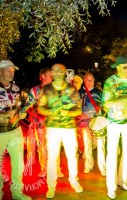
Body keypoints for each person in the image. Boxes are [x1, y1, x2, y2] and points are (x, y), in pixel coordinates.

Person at [37, 63, 83, 198]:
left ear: (64, 72)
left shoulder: (72, 89)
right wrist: (51, 111)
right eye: (53, 70)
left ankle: (74, 181)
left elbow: (78, 109)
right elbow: (40, 108)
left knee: (72, 155)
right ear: (51, 73)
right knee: (52, 156)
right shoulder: (46, 89)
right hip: (52, 128)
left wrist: (66, 113)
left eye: (59, 70)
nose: (56, 72)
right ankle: (51, 185)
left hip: (69, 128)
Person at [0, 60, 31, 200]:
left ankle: (17, 193)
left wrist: (21, 113)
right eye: (8, 70)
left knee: (19, 163)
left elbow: (18, 106)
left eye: (13, 71)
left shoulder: (16, 88)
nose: (11, 73)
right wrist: (1, 115)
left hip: (15, 130)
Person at [102, 55, 127, 199]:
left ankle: (122, 180)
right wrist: (123, 99)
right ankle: (111, 188)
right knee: (112, 155)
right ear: (117, 67)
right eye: (125, 67)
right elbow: (106, 103)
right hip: (113, 122)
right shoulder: (110, 82)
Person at [23, 67, 64, 178]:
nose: (53, 78)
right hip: (39, 123)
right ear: (42, 77)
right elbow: (28, 107)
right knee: (42, 146)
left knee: (55, 146)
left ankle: (56, 168)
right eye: (50, 76)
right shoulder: (35, 91)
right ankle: (45, 169)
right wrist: (38, 116)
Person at [78, 72, 106, 176]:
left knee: (100, 145)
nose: (89, 82)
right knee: (87, 144)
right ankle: (88, 165)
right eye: (87, 80)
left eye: (91, 80)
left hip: (96, 121)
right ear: (84, 81)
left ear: (94, 80)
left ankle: (103, 167)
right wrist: (80, 114)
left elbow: (104, 106)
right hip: (84, 122)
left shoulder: (99, 92)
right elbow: (76, 107)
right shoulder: (79, 92)